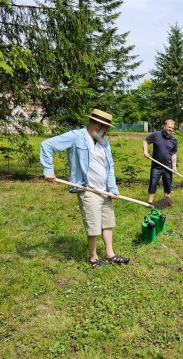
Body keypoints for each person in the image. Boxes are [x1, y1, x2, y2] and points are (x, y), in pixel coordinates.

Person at [40, 109, 130, 269]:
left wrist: (113, 188)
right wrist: (49, 170)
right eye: (106, 127)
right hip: (88, 189)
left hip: (105, 190)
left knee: (107, 222)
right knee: (93, 224)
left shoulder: (102, 140)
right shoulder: (77, 137)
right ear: (96, 125)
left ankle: (110, 255)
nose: (107, 131)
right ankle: (93, 258)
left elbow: (109, 166)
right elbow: (46, 145)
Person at [142, 119, 178, 205]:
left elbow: (174, 154)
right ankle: (149, 203)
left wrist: (174, 166)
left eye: (172, 128)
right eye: (169, 127)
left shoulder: (174, 140)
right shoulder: (156, 135)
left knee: (168, 184)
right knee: (153, 183)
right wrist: (146, 151)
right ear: (164, 126)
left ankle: (167, 202)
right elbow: (145, 141)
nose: (170, 129)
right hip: (156, 166)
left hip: (168, 167)